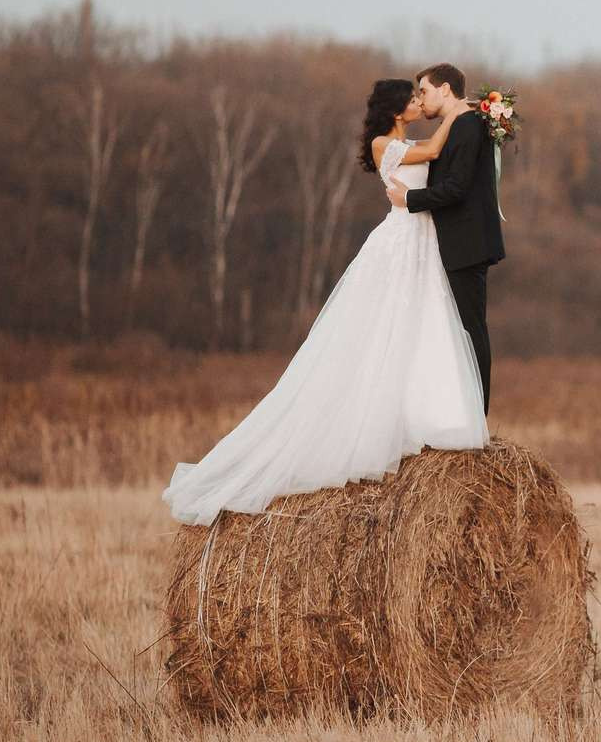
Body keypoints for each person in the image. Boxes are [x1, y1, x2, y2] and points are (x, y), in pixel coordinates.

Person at [162, 77, 488, 525]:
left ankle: (427, 416)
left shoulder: (405, 137)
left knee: (425, 328)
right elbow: (432, 152)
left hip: (423, 239)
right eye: (413, 99)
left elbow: (438, 158)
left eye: (421, 96)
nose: (418, 103)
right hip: (399, 240)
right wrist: (461, 112)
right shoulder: (382, 144)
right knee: (384, 330)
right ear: (397, 110)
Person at [384, 63, 506, 411]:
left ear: (445, 90)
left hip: (468, 244)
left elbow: (456, 188)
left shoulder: (468, 126)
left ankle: (478, 415)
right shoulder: (459, 125)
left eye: (423, 91)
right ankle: (461, 410)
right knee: (460, 330)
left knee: (471, 330)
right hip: (457, 243)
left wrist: (409, 199)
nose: (420, 99)